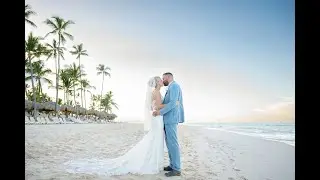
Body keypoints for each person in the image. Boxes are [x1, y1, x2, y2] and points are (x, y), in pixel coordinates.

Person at [63, 76, 166, 176]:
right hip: (157, 118)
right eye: (160, 80)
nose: (162, 81)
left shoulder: (156, 92)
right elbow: (157, 106)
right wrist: (172, 104)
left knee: (154, 139)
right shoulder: (156, 92)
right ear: (157, 83)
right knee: (155, 139)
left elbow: (154, 106)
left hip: (156, 118)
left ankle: (154, 162)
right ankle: (152, 163)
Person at [153, 72, 185, 177]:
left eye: (163, 78)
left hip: (171, 119)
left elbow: (172, 103)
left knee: (173, 143)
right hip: (168, 119)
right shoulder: (171, 87)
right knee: (169, 143)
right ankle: (172, 165)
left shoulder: (174, 86)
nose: (163, 80)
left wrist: (159, 112)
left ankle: (176, 169)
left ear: (168, 77)